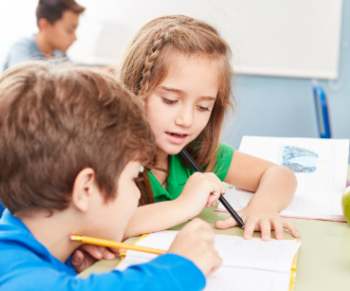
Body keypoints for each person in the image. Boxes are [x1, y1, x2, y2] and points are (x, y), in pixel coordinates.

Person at [0, 62, 222, 291]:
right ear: (86, 189)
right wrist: (181, 265)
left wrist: (71, 266)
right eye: (134, 176)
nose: (138, 194)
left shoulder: (29, 240)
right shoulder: (3, 264)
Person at [117, 15, 301, 242]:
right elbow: (104, 226)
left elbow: (280, 175)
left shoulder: (196, 150)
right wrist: (184, 205)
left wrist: (263, 206)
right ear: (134, 91)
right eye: (170, 100)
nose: (186, 120)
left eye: (203, 107)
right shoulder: (108, 158)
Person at [3, 0, 85, 71]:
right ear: (44, 26)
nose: (75, 38)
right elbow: (23, 84)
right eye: (69, 30)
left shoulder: (59, 54)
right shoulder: (21, 49)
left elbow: (78, 73)